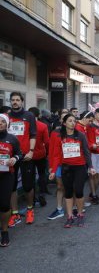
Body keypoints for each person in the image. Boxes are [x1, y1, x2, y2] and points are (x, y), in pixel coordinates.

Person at [48, 114, 96, 228]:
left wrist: (91, 167)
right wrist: (53, 170)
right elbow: (56, 155)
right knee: (68, 192)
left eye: (74, 121)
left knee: (78, 191)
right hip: (66, 167)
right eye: (70, 121)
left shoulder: (80, 135)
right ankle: (69, 216)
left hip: (79, 167)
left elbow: (86, 152)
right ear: (64, 123)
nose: (73, 123)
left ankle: (80, 214)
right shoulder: (60, 136)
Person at [8, 92, 37, 227]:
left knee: (28, 185)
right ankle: (15, 213)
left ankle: (30, 209)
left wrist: (31, 151)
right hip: (11, 157)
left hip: (26, 156)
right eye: (13, 100)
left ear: (22, 102)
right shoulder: (6, 116)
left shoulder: (29, 116)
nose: (15, 102)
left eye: (17, 100)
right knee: (12, 186)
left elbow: (33, 134)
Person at [0, 114, 23, 247]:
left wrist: (15, 158)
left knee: (4, 205)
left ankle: (4, 231)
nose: (0, 123)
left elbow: (19, 153)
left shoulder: (12, 138)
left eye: (3, 121)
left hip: (6, 175)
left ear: (7, 124)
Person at [28, 107, 50, 206]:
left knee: (31, 176)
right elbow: (47, 142)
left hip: (29, 155)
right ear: (39, 115)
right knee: (41, 174)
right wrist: (48, 153)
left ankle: (32, 198)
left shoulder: (26, 126)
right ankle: (42, 194)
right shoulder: (43, 126)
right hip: (41, 154)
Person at [86, 108, 99, 205]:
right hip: (93, 153)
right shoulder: (90, 126)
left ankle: (92, 193)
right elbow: (90, 141)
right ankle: (94, 194)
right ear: (95, 115)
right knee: (92, 175)